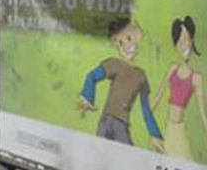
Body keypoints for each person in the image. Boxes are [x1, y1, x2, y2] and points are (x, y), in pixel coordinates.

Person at [77, 19, 165, 152]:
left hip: (121, 124)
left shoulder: (141, 76)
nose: (125, 46)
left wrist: (155, 134)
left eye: (128, 39)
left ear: (136, 36)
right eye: (120, 43)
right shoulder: (114, 64)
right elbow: (92, 76)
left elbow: (146, 109)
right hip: (106, 121)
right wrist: (87, 97)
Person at [152, 16, 207, 160]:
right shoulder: (173, 68)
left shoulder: (196, 77)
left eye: (186, 39)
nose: (183, 44)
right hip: (168, 128)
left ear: (192, 40)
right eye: (179, 40)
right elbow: (159, 95)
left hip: (179, 130)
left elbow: (203, 112)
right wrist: (148, 116)